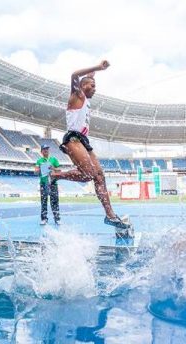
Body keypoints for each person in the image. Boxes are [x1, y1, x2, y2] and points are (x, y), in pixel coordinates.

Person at [51, 61, 132, 233]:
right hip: (73, 138)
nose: (95, 88)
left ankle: (110, 215)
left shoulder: (85, 99)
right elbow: (74, 75)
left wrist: (92, 76)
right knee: (88, 175)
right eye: (92, 85)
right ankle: (55, 175)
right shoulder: (77, 96)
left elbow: (85, 79)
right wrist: (97, 68)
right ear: (82, 86)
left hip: (84, 141)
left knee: (100, 176)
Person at [35, 144, 61, 225]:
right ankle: (44, 219)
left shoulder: (54, 159)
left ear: (49, 150)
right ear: (41, 151)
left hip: (53, 183)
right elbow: (35, 172)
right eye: (44, 149)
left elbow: (59, 170)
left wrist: (53, 168)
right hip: (43, 183)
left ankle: (57, 219)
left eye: (47, 149)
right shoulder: (39, 161)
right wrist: (39, 169)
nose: (46, 150)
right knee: (43, 202)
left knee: (55, 202)